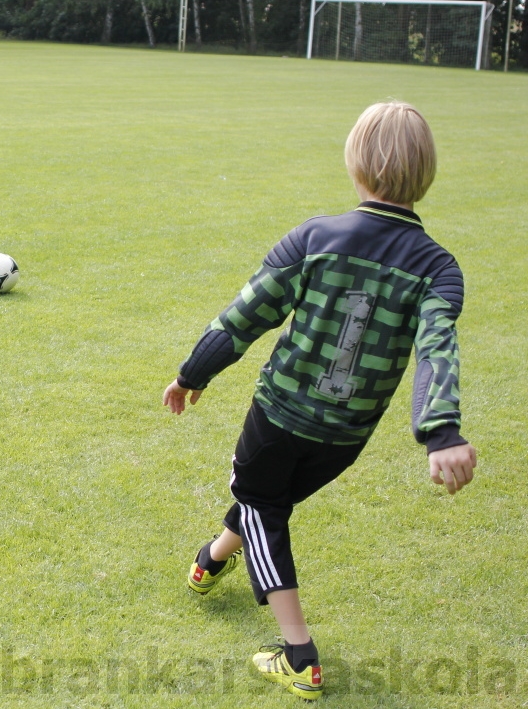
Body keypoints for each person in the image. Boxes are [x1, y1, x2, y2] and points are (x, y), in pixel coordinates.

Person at [162, 102, 477, 701]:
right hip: (346, 437)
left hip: (280, 415)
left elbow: (246, 314)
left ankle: (299, 656)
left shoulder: (315, 237)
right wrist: (441, 432)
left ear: (355, 164)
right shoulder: (439, 269)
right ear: (426, 174)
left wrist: (192, 373)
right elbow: (438, 349)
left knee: (260, 503)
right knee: (265, 498)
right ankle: (212, 559)